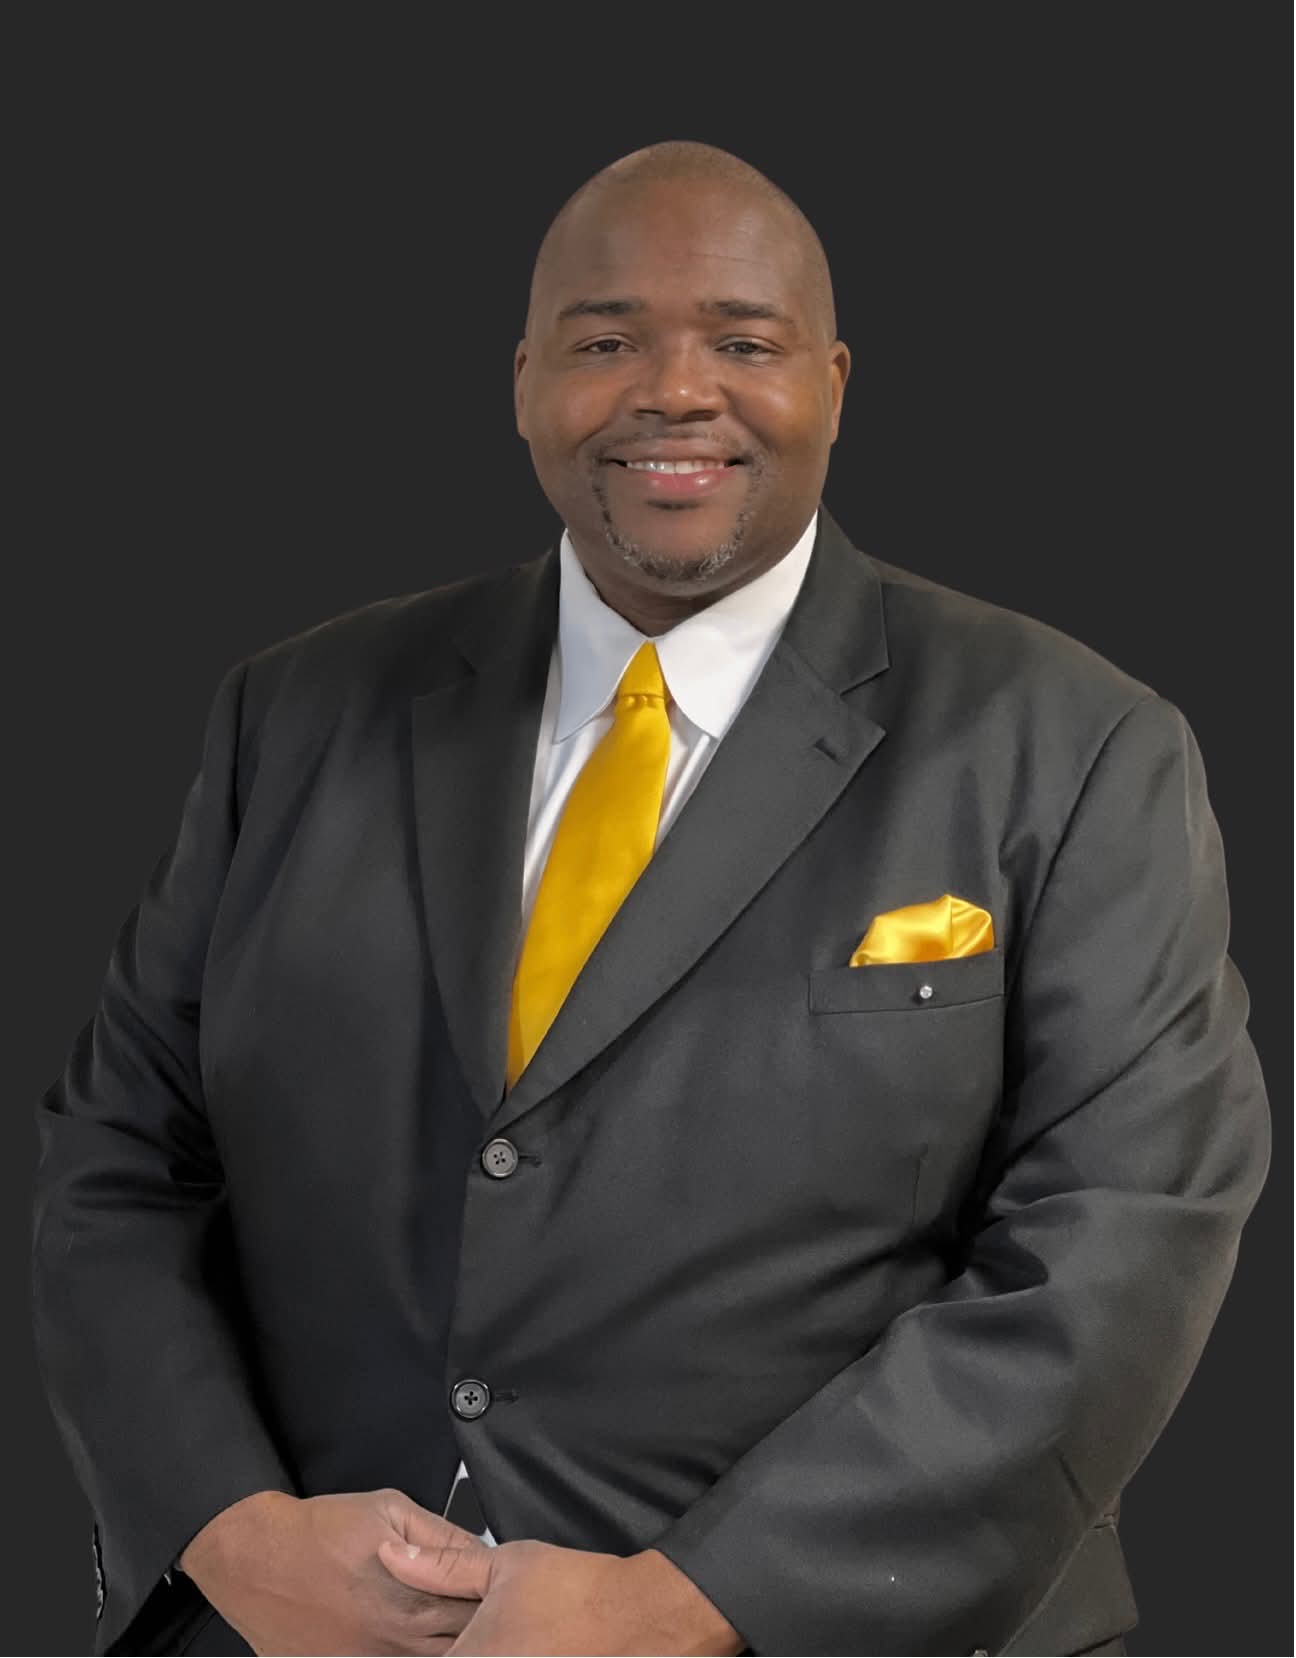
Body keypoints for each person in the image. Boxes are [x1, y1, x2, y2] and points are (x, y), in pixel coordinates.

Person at [32, 140, 1269, 1658]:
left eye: (743, 344)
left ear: (834, 382)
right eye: (606, 341)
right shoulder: (291, 715)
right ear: (524, 383)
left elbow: (1122, 1236)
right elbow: (118, 1162)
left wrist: (693, 1604)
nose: (676, 392)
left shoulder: (1077, 747)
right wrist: (227, 1534)